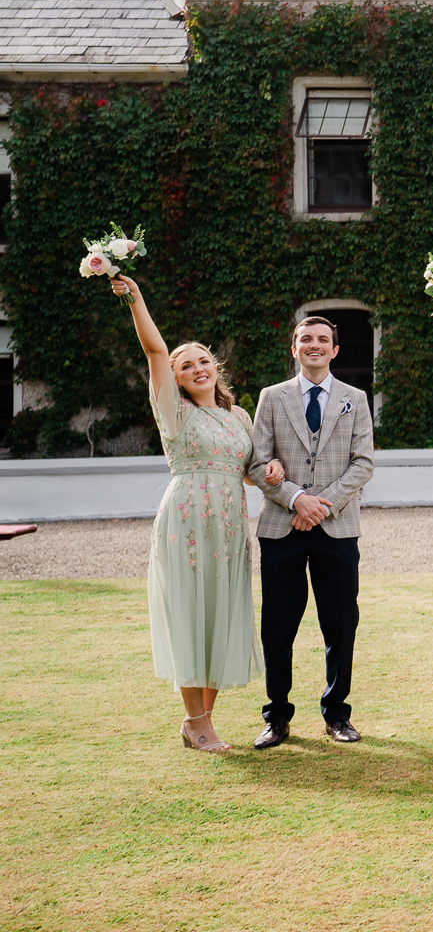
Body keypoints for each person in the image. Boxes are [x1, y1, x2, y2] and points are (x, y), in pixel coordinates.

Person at [112, 276, 280, 753]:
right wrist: (137, 299)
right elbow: (153, 351)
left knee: (220, 615)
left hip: (229, 524)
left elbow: (248, 472)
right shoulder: (174, 412)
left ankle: (200, 722)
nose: (197, 368)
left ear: (216, 367)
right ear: (177, 377)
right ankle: (196, 721)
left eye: (204, 360)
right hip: (186, 520)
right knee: (189, 613)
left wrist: (269, 468)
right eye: (186, 365)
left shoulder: (239, 417)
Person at [246, 314, 376, 748]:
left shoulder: (355, 398)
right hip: (281, 525)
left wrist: (320, 506)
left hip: (337, 527)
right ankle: (277, 716)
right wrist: (294, 498)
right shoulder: (272, 397)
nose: (314, 345)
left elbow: (363, 463)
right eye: (306, 339)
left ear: (335, 350)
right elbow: (256, 462)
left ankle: (337, 714)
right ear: (294, 348)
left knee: (340, 623)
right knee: (277, 625)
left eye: (323, 340)